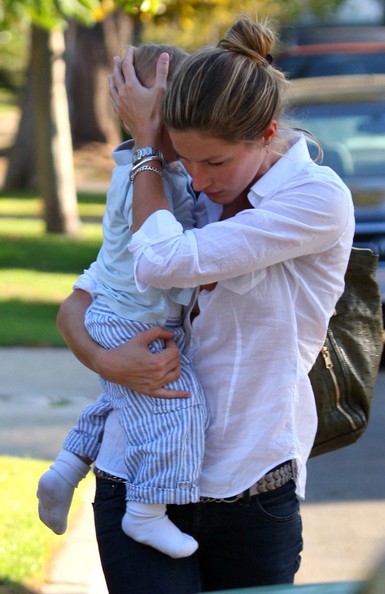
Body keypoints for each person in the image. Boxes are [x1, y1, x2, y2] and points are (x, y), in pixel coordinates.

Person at [56, 15, 355, 594]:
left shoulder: (315, 200)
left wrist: (146, 149)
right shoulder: (172, 182)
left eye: (214, 163)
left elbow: (158, 262)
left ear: (267, 132)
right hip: (136, 472)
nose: (196, 180)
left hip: (250, 487)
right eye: (184, 159)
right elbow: (85, 294)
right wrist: (104, 361)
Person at [36, 43, 209, 560]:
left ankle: (64, 470)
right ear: (147, 117)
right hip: (133, 318)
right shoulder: (146, 177)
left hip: (118, 313)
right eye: (177, 117)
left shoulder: (148, 171)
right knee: (182, 407)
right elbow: (161, 262)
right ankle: (147, 511)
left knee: (118, 399)